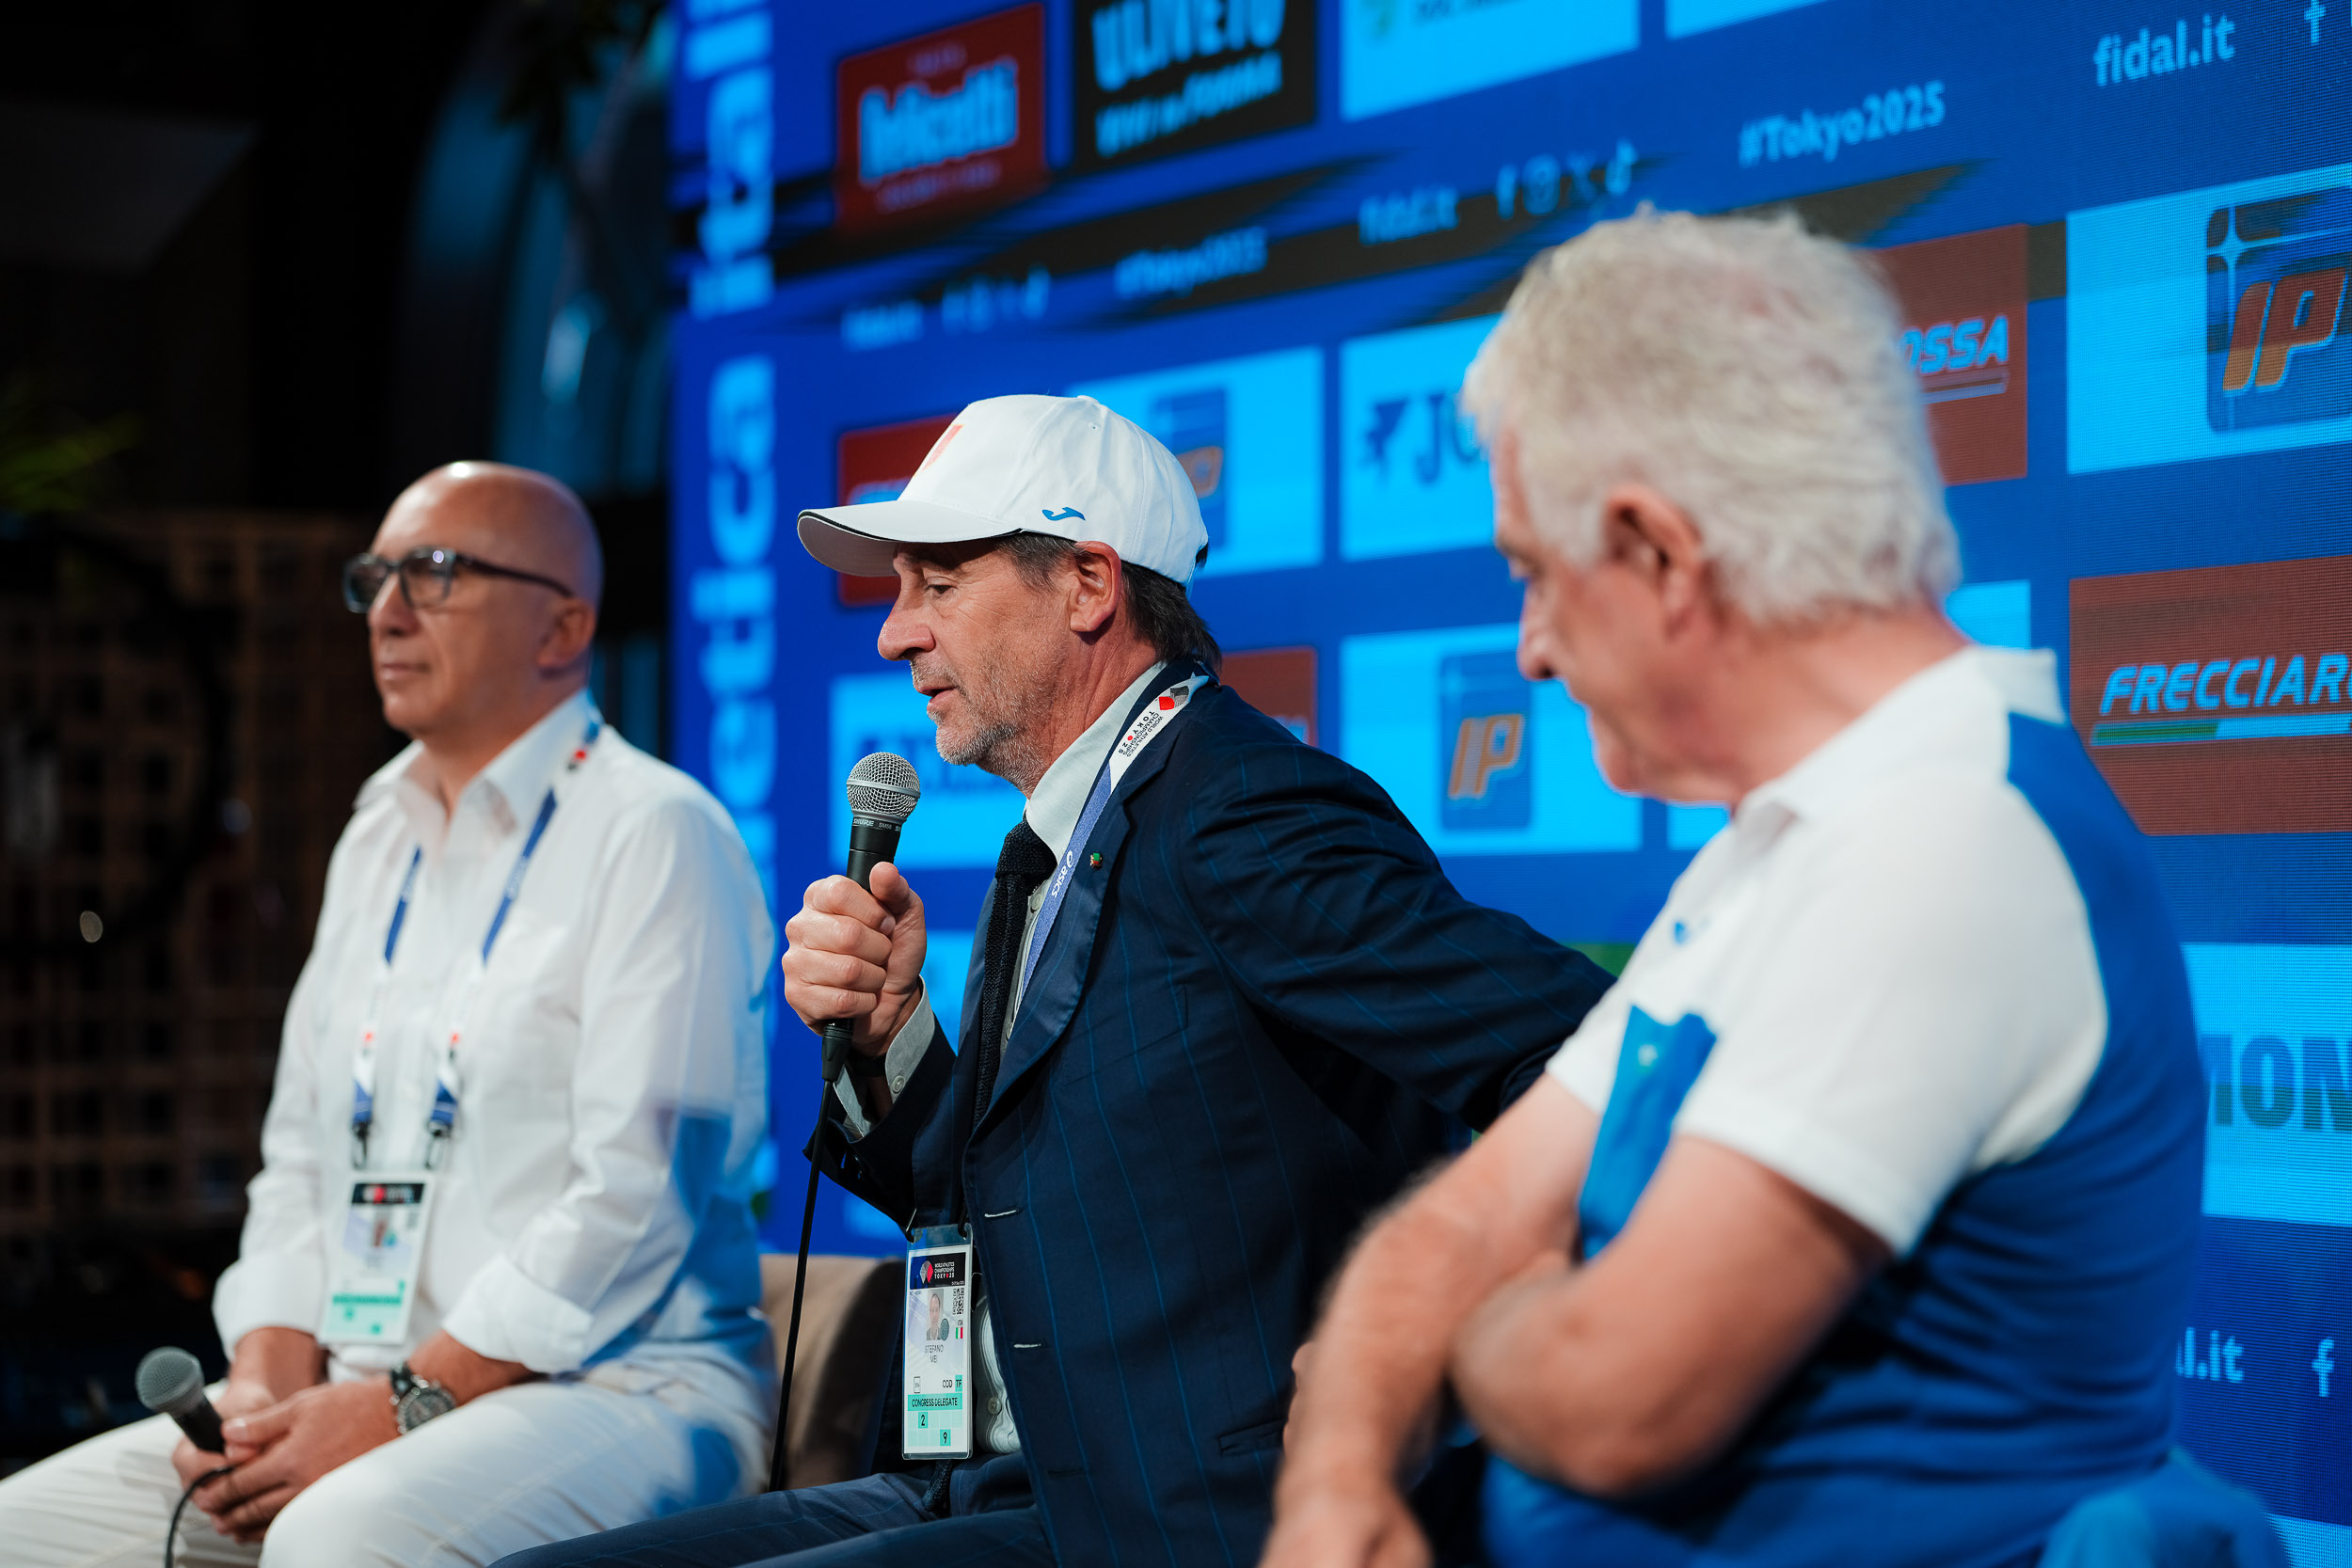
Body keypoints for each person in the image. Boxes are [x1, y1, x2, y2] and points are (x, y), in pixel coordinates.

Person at [499, 395, 1614, 1568]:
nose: (893, 636)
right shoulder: (1050, 842)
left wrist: (1439, 1321)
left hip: (1169, 1508)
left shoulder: (1242, 810)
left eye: (938, 585)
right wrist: (895, 1036)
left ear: (1088, 585)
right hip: (981, 1472)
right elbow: (1000, 1192)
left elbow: (1578, 1053)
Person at [1263, 211, 2207, 1568]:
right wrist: (1343, 1477)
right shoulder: (1791, 840)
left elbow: (1617, 1396)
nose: (1528, 650)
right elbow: (1460, 1225)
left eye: (1533, 572)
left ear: (1658, 552)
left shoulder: (1942, 843)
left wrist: (1470, 1334)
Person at [0, 464, 779, 1567]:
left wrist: (403, 1400)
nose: (387, 611)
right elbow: (297, 1163)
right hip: (365, 1385)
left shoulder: (655, 830)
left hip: (627, 1387)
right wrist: (266, 1383)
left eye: (437, 572)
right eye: (375, 578)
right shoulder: (377, 831)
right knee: (20, 1532)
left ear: (564, 627)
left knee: (335, 1535)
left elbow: (634, 1199)